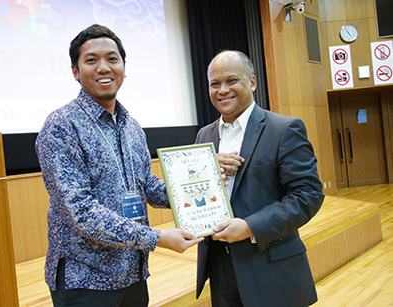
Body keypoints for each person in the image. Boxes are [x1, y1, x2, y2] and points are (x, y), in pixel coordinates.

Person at [35, 24, 202, 307]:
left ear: (124, 67)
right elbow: (82, 213)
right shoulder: (60, 126)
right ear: (75, 71)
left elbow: (146, 184)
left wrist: (197, 189)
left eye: (113, 59)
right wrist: (156, 237)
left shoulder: (132, 126)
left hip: (133, 274)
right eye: (91, 60)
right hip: (85, 280)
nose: (104, 68)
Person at [195, 50, 325, 307]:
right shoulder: (203, 136)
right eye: (215, 83)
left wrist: (251, 226)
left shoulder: (284, 129)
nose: (222, 90)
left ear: (252, 82)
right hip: (221, 269)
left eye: (232, 81)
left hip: (271, 268)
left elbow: (307, 195)